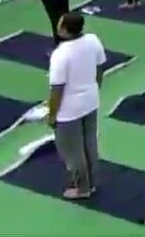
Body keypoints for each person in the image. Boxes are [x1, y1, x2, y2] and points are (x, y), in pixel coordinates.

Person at [47, 11, 106, 201]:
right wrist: (94, 87)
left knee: (72, 151)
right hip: (90, 100)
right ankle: (93, 181)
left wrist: (52, 114)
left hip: (69, 110)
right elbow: (100, 68)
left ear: (64, 30)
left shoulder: (60, 55)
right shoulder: (93, 40)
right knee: (90, 142)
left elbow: (57, 89)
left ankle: (82, 188)